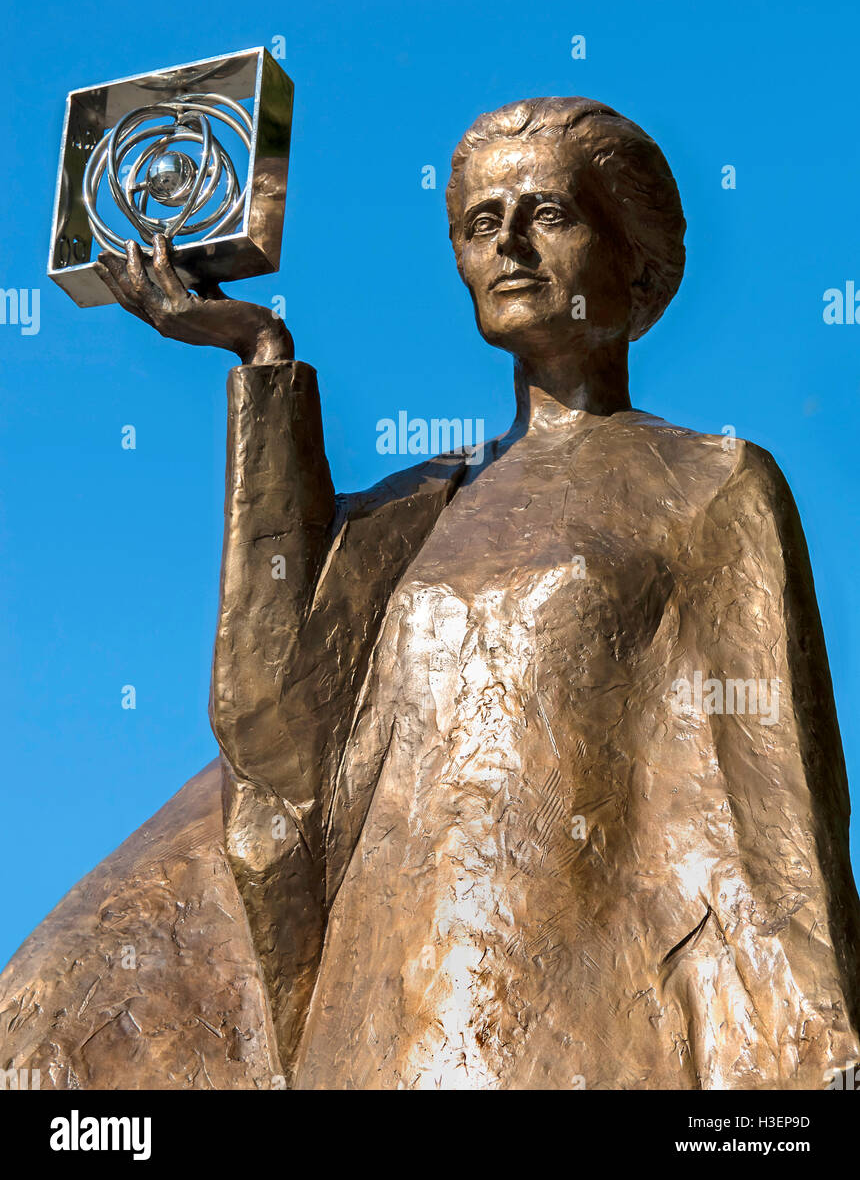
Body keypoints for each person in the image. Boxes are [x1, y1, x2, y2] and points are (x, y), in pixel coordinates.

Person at [3, 97, 858, 1090]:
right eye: (480, 222)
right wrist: (262, 357)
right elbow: (274, 729)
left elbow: (773, 810)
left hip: (581, 1017)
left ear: (630, 252)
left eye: (549, 213)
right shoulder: (411, 511)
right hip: (385, 1018)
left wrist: (809, 1058)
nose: (510, 244)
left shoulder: (709, 482)